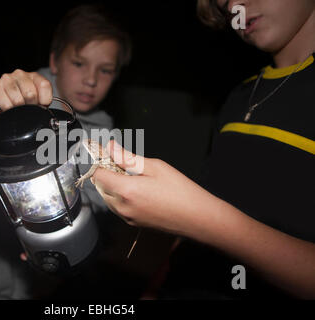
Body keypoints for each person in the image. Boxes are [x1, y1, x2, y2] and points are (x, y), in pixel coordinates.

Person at [91, 0, 315, 299]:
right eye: (222, 2)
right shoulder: (240, 95)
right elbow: (207, 206)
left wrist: (201, 219)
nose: (235, 5)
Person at [0, 4, 131, 299]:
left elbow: (101, 207)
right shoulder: (7, 93)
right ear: (55, 60)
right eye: (79, 63)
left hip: (50, 284)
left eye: (106, 70)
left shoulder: (105, 139)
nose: (91, 80)